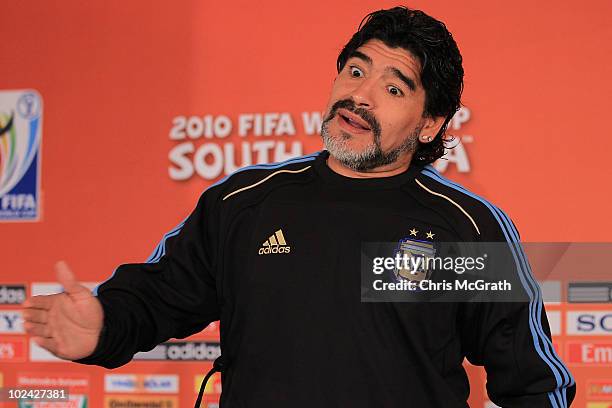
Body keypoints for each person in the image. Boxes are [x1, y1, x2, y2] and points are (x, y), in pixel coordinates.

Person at [23, 6, 575, 407]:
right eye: (355, 72)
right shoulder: (243, 203)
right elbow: (157, 297)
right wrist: (102, 323)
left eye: (394, 87)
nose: (360, 95)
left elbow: (535, 383)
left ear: (431, 123)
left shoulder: (466, 228)